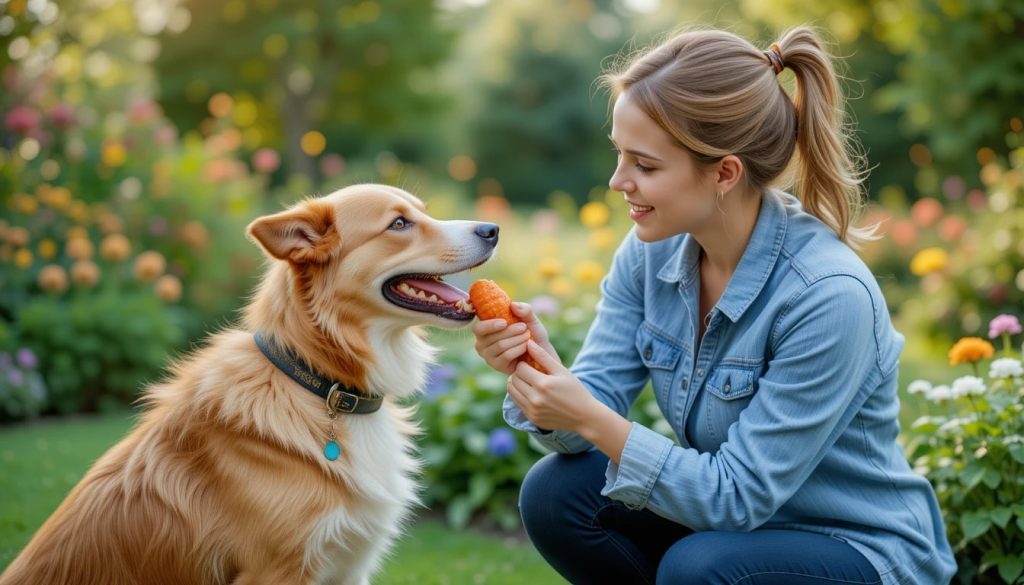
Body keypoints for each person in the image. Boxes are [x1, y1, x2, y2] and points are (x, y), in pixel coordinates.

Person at [472, 26, 956, 585]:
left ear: (724, 173)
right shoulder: (651, 254)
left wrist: (587, 415)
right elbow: (585, 421)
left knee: (697, 569)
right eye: (619, 155)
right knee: (556, 495)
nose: (616, 181)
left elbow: (736, 497)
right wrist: (532, 364)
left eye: (644, 166)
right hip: (738, 532)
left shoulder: (827, 295)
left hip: (854, 547)